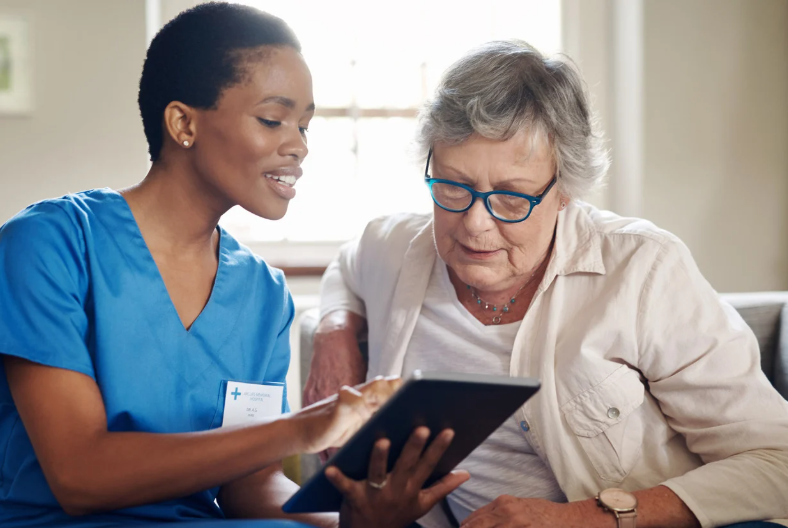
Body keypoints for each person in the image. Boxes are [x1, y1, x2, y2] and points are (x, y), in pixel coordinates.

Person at [0, 3, 468, 527]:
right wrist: (303, 428)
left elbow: (250, 486)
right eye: (272, 119)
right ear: (183, 122)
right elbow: (79, 476)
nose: (299, 146)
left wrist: (349, 524)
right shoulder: (47, 245)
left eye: (305, 126)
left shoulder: (262, 294)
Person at [305, 40, 788, 528]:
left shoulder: (643, 269)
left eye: (512, 198)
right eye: (453, 186)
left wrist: (583, 519)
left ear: (566, 191)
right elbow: (347, 267)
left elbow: (778, 462)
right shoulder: (394, 247)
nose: (474, 223)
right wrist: (335, 331)